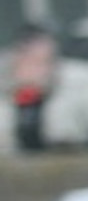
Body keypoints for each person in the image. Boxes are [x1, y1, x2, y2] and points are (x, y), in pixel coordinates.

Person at [10, 19, 56, 150]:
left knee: (34, 116)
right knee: (26, 115)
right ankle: (27, 141)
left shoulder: (41, 46)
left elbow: (47, 66)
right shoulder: (21, 47)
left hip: (35, 86)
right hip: (24, 86)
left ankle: (33, 141)